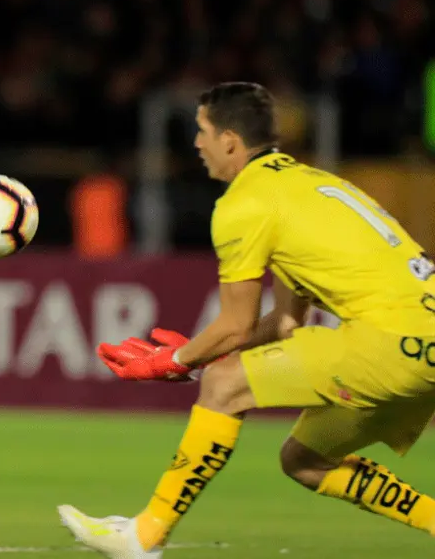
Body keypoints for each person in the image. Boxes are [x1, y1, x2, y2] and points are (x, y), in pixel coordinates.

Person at [58, 82, 435, 558]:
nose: (196, 143)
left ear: (230, 140)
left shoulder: (244, 204)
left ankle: (144, 536)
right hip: (423, 340)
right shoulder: (310, 185)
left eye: (202, 131)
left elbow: (236, 327)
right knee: (305, 461)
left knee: (223, 384)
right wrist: (195, 353)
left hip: (389, 341)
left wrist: (175, 360)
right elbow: (284, 324)